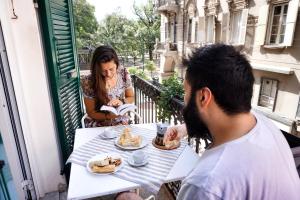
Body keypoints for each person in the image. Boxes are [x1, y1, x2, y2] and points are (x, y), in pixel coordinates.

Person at [116, 44, 300, 200]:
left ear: (204, 96)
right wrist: (185, 128)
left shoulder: (206, 184)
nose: (184, 103)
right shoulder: (264, 124)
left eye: (185, 94)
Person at [81, 45, 134, 127]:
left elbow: (131, 97)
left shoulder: (123, 74)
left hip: (119, 120)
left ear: (117, 64)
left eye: (111, 69)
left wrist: (122, 102)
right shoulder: (89, 81)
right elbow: (91, 112)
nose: (108, 74)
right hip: (98, 122)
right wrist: (108, 116)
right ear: (97, 69)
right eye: (103, 71)